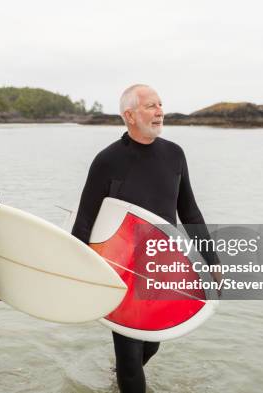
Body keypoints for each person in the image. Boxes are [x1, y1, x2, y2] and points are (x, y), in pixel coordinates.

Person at [71, 84, 221, 393]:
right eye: (151, 106)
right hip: (121, 269)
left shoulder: (174, 155)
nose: (160, 111)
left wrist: (212, 261)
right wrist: (78, 274)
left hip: (162, 267)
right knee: (128, 357)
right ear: (129, 115)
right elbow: (84, 220)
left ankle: (117, 380)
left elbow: (190, 212)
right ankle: (124, 378)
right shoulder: (107, 161)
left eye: (160, 104)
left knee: (150, 345)